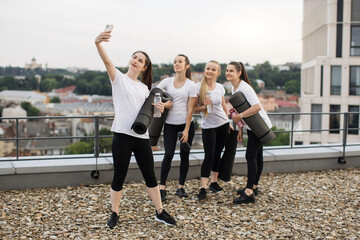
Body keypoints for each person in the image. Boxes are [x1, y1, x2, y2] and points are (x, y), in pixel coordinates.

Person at [95, 30, 176, 228]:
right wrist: (98, 44)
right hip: (122, 134)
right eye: (134, 57)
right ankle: (114, 213)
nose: (135, 61)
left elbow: (157, 113)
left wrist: (160, 108)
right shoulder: (119, 79)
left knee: (150, 175)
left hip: (141, 138)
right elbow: (107, 63)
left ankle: (159, 211)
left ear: (144, 67)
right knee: (119, 176)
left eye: (140, 60)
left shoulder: (145, 89)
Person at [225, 61, 272, 204]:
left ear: (239, 73)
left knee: (250, 156)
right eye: (227, 70)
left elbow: (257, 107)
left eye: (231, 70)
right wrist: (240, 128)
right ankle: (254, 186)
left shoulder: (245, 88)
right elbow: (240, 109)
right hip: (251, 126)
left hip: (260, 126)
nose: (228, 73)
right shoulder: (235, 88)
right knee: (257, 156)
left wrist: (240, 117)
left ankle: (249, 192)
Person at [156, 54, 197, 202]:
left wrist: (186, 130)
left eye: (180, 61)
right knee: (168, 154)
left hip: (186, 125)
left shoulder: (191, 85)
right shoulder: (167, 81)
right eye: (174, 61)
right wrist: (164, 103)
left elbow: (190, 109)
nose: (177, 63)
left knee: (184, 156)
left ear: (186, 66)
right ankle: (162, 187)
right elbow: (154, 94)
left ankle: (181, 186)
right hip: (170, 125)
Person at [194, 60, 229, 200]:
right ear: (205, 70)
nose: (210, 71)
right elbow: (193, 109)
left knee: (217, 154)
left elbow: (224, 106)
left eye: (213, 69)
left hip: (223, 124)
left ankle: (214, 182)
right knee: (208, 156)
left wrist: (228, 121)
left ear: (217, 73)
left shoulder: (220, 87)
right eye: (208, 68)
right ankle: (203, 187)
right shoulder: (198, 87)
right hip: (208, 127)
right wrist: (203, 106)